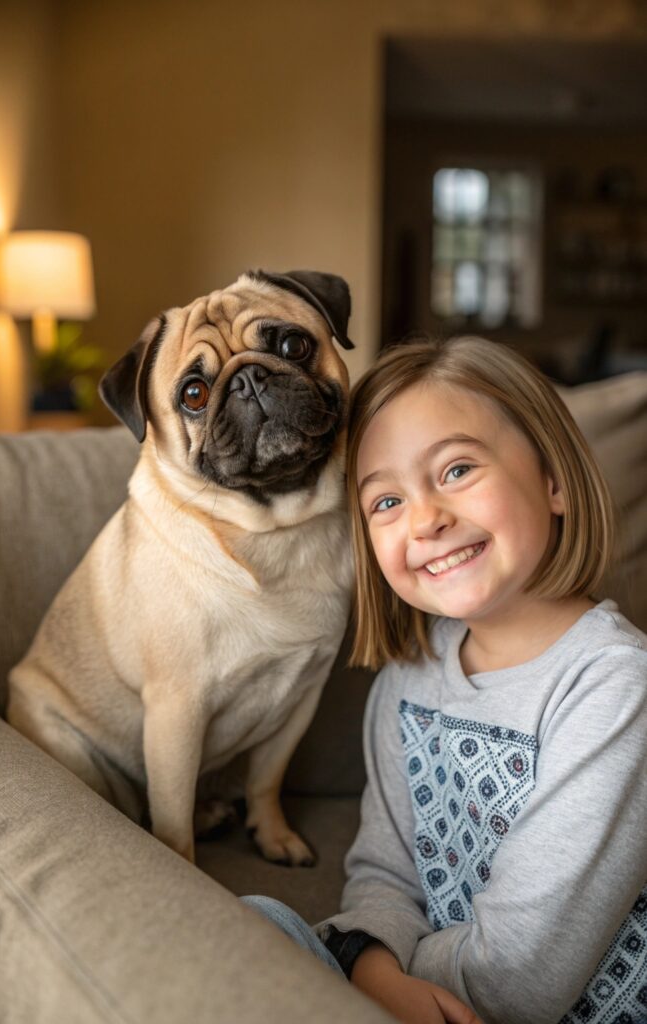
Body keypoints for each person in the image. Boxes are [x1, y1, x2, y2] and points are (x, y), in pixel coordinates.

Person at [241, 336, 647, 1024]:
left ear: (552, 480)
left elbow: (521, 977)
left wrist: (356, 966)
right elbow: (383, 874)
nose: (425, 519)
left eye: (456, 469)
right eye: (385, 502)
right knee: (251, 926)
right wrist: (369, 963)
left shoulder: (615, 687)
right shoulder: (409, 679)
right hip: (427, 999)